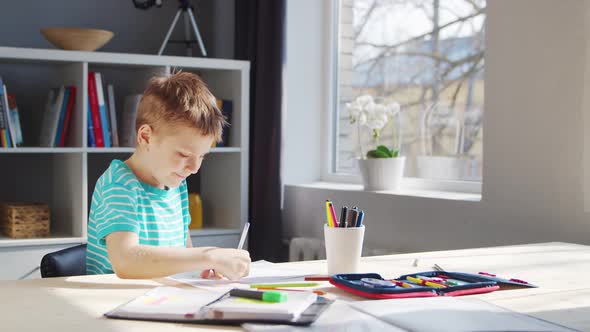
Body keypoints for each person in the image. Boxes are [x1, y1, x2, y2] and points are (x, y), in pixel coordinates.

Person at [86, 71, 250, 280]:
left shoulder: (176, 185)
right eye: (184, 154)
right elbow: (127, 262)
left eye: (202, 156)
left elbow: (184, 255)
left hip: (162, 301)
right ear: (146, 137)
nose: (194, 167)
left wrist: (204, 269)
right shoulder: (119, 185)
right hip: (114, 304)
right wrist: (208, 256)